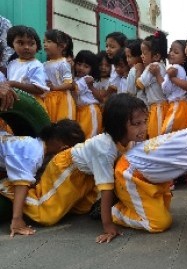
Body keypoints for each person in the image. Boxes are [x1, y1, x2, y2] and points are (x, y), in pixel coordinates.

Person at [1, 93, 148, 243]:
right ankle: (7, 185)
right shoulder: (105, 148)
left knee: (82, 208)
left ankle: (61, 199)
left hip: (87, 173)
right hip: (67, 168)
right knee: (46, 215)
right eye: (137, 124)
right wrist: (108, 226)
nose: (143, 127)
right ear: (118, 125)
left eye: (145, 121)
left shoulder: (132, 141)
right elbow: (106, 188)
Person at [0, 119, 85, 237]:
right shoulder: (34, 155)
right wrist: (17, 220)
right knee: (10, 185)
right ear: (64, 149)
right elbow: (21, 185)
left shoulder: (34, 144)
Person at [112, 127, 187, 232]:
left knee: (163, 212)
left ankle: (129, 203)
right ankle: (115, 212)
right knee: (158, 223)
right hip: (128, 174)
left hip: (143, 174)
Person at [3, 25, 49, 109]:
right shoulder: (12, 64)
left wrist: (13, 83)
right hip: (16, 104)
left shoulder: (36, 65)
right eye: (21, 43)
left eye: (31, 43)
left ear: (37, 46)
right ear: (12, 44)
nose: (27, 47)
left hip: (32, 107)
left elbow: (39, 89)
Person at [137, 31, 168, 138]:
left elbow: (140, 84)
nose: (141, 56)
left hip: (157, 108)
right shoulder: (161, 65)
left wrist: (137, 70)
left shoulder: (153, 66)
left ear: (156, 56)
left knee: (156, 137)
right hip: (161, 107)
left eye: (144, 53)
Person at [43, 29, 75, 122]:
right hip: (49, 99)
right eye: (44, 42)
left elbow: (69, 84)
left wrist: (54, 87)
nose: (45, 44)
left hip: (62, 100)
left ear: (62, 46)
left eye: (49, 41)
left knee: (63, 126)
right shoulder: (44, 64)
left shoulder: (64, 63)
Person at [161, 39, 187, 134]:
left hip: (176, 106)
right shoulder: (181, 69)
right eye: (171, 50)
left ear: (184, 59)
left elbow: (166, 89)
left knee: (165, 134)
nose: (171, 53)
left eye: (176, 52)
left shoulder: (174, 69)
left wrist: (159, 76)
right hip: (181, 105)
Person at [73, 50, 102, 138]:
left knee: (90, 136)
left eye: (86, 66)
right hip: (81, 111)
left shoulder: (87, 79)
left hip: (89, 111)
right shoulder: (76, 78)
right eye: (79, 64)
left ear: (92, 69)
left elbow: (75, 90)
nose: (81, 68)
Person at [125, 39, 145, 103]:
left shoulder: (133, 70)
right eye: (126, 57)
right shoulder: (148, 68)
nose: (127, 60)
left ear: (139, 56)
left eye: (129, 56)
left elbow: (131, 92)